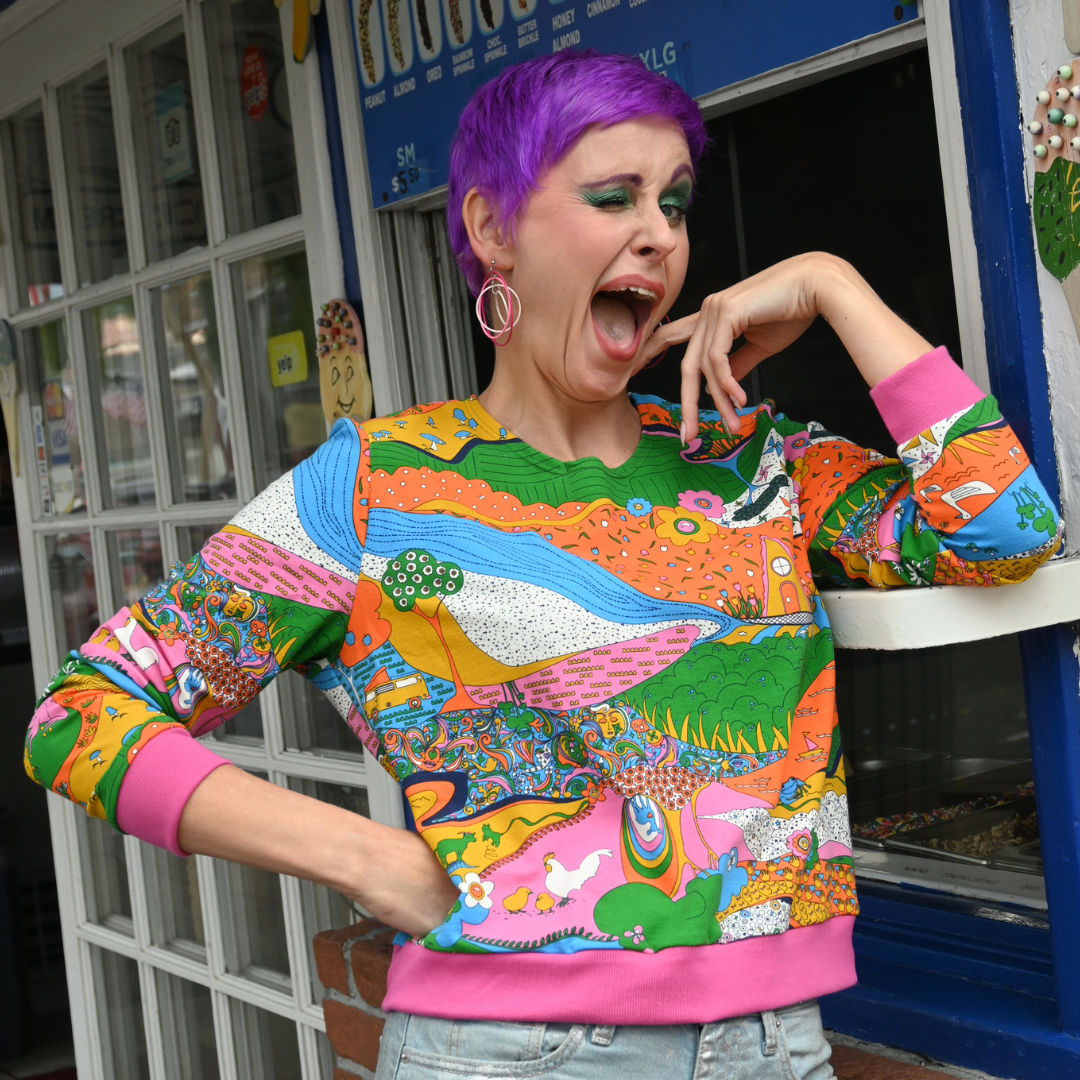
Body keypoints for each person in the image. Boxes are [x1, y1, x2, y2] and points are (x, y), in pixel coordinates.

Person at [25, 51, 1060, 1080]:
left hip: (778, 1044)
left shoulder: (748, 454)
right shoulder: (375, 488)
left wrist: (833, 285)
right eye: (613, 197)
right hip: (514, 1052)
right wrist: (363, 858)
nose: (659, 234)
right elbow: (82, 714)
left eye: (675, 202)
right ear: (492, 229)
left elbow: (1010, 533)